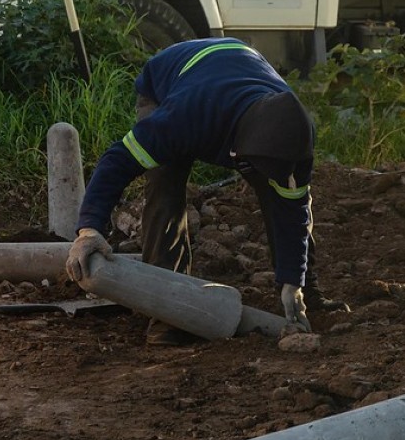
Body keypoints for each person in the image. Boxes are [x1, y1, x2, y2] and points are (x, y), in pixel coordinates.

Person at [65, 37, 349, 345]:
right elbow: (116, 161)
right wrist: (89, 229)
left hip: (235, 73)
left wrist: (294, 282)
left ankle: (308, 293)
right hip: (173, 80)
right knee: (165, 181)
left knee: (281, 192)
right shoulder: (186, 119)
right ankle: (167, 310)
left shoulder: (294, 131)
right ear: (238, 154)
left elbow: (293, 209)